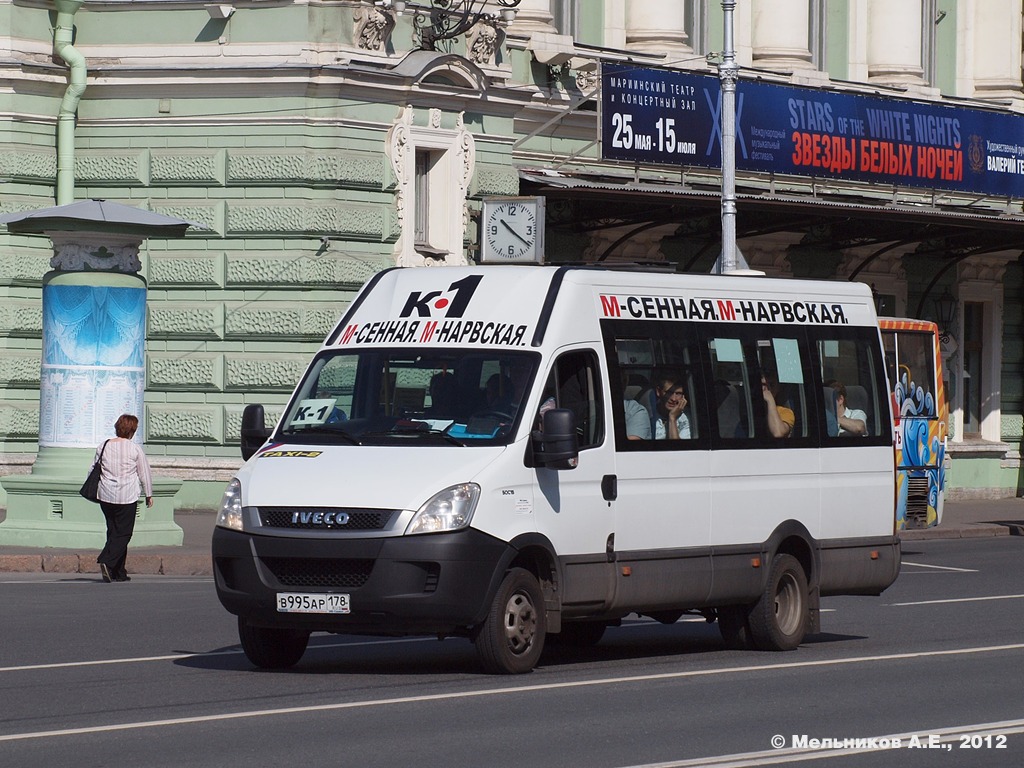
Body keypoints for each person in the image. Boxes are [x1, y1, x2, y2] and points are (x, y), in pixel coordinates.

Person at [93, 414, 153, 583]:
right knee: (124, 533)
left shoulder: (103, 446)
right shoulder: (134, 449)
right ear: (132, 430)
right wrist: (149, 494)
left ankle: (118, 572)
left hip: (105, 495)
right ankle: (106, 560)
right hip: (126, 496)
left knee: (113, 532)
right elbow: (144, 473)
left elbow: (93, 469)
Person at [654, 375, 691, 440]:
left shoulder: (687, 417)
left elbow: (677, 448)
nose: (673, 399)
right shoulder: (649, 413)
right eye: (669, 392)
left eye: (678, 393)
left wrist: (672, 418)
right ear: (658, 392)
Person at [761, 373, 795, 438]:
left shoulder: (785, 412)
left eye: (771, 385)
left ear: (777, 389)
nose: (765, 389)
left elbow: (778, 433)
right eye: (763, 385)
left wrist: (770, 400)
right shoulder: (748, 411)